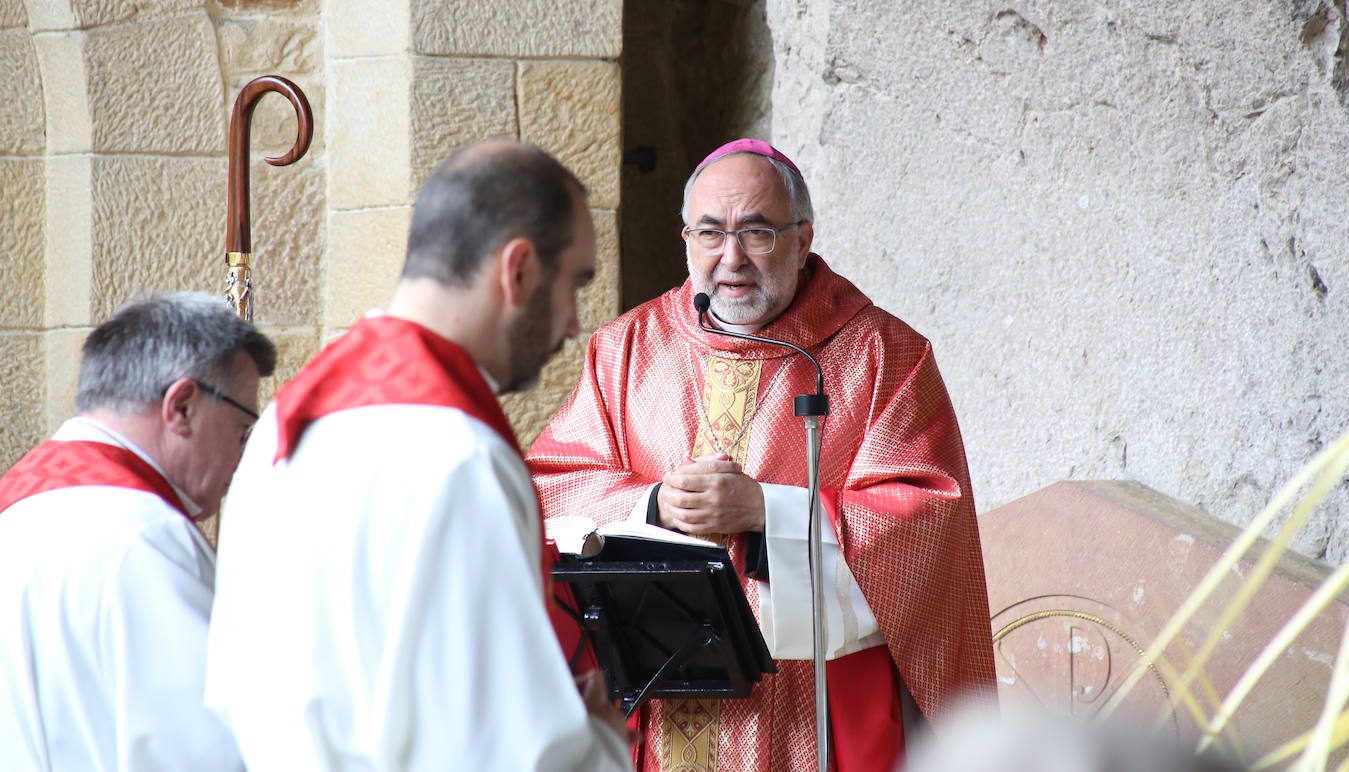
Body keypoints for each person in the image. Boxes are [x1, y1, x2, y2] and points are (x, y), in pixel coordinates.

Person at [528, 139, 998, 771]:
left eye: (756, 232)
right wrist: (652, 502)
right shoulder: (628, 348)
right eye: (711, 233)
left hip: (806, 710)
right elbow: (552, 484)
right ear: (685, 238)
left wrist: (767, 511)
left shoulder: (884, 356)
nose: (731, 259)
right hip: (657, 695)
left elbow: (928, 522)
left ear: (803, 239)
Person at [205, 140, 633, 771]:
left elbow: (235, 685)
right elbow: (501, 749)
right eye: (575, 283)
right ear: (517, 271)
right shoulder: (461, 458)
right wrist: (599, 740)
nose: (573, 324)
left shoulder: (284, 424)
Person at [0, 291, 276, 771]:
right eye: (241, 429)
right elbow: (206, 753)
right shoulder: (144, 536)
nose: (243, 456)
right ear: (182, 406)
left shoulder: (20, 502)